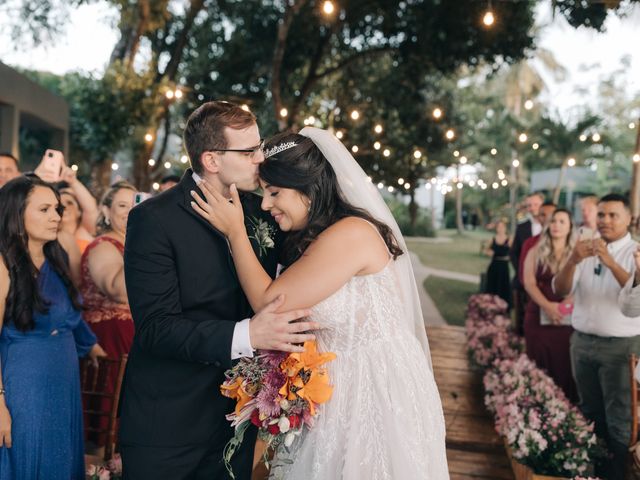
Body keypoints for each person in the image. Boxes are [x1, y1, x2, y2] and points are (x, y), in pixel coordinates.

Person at [192, 127, 449, 479]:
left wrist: (236, 232)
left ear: (309, 188)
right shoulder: (318, 237)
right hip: (337, 392)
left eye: (274, 192)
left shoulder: (351, 234)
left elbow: (272, 302)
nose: (266, 204)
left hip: (374, 393)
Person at [119, 101, 318, 480]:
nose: (261, 158)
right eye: (248, 152)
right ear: (211, 159)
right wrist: (248, 334)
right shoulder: (153, 219)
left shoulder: (264, 212)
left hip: (236, 423)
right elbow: (157, 328)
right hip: (168, 424)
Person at [0, 175, 105, 478]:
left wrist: (90, 345)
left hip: (62, 384)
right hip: (25, 386)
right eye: (44, 209)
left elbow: (69, 317)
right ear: (16, 214)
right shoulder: (4, 266)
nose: (56, 217)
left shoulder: (53, 258)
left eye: (57, 209)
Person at [554, 193, 640, 480]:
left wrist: (610, 261)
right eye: (601, 215)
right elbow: (560, 289)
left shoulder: (635, 252)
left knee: (619, 420)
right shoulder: (585, 248)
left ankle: (616, 475)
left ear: (629, 218)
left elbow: (634, 301)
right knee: (588, 413)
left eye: (613, 215)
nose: (605, 221)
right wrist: (572, 260)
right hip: (582, 342)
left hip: (621, 348)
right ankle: (590, 472)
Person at [522, 209, 577, 401]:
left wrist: (564, 307)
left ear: (570, 227)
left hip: (566, 318)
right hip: (538, 314)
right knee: (538, 365)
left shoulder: (576, 254)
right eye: (553, 221)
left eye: (562, 221)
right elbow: (529, 282)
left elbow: (581, 285)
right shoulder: (535, 250)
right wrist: (548, 306)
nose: (556, 225)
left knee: (564, 366)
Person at [81, 181, 136, 359]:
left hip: (142, 337)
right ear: (106, 211)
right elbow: (118, 292)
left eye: (135, 204)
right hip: (113, 340)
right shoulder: (102, 245)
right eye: (122, 205)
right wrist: (140, 241)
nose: (130, 210)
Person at [510, 192, 545, 334]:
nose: (532, 208)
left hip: (545, 281)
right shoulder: (522, 227)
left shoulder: (553, 227)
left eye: (535, 204)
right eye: (529, 205)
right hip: (524, 280)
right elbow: (513, 253)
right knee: (522, 317)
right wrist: (523, 273)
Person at [56, 166, 99, 254]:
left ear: (79, 212)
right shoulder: (49, 234)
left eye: (69, 203)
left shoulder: (85, 231)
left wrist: (73, 182)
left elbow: (90, 208)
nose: (64, 206)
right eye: (59, 204)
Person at [517, 201, 557, 286]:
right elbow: (523, 275)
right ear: (538, 218)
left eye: (551, 215)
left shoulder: (568, 243)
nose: (547, 219)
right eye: (543, 215)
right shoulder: (530, 243)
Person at [484, 219, 511, 307]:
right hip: (494, 265)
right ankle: (491, 307)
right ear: (496, 228)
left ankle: (503, 307)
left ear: (505, 228)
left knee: (503, 287)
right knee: (492, 287)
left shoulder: (509, 239)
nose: (500, 228)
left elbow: (513, 252)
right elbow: (487, 250)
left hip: (504, 267)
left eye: (502, 227)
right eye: (498, 227)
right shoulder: (493, 239)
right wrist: (489, 252)